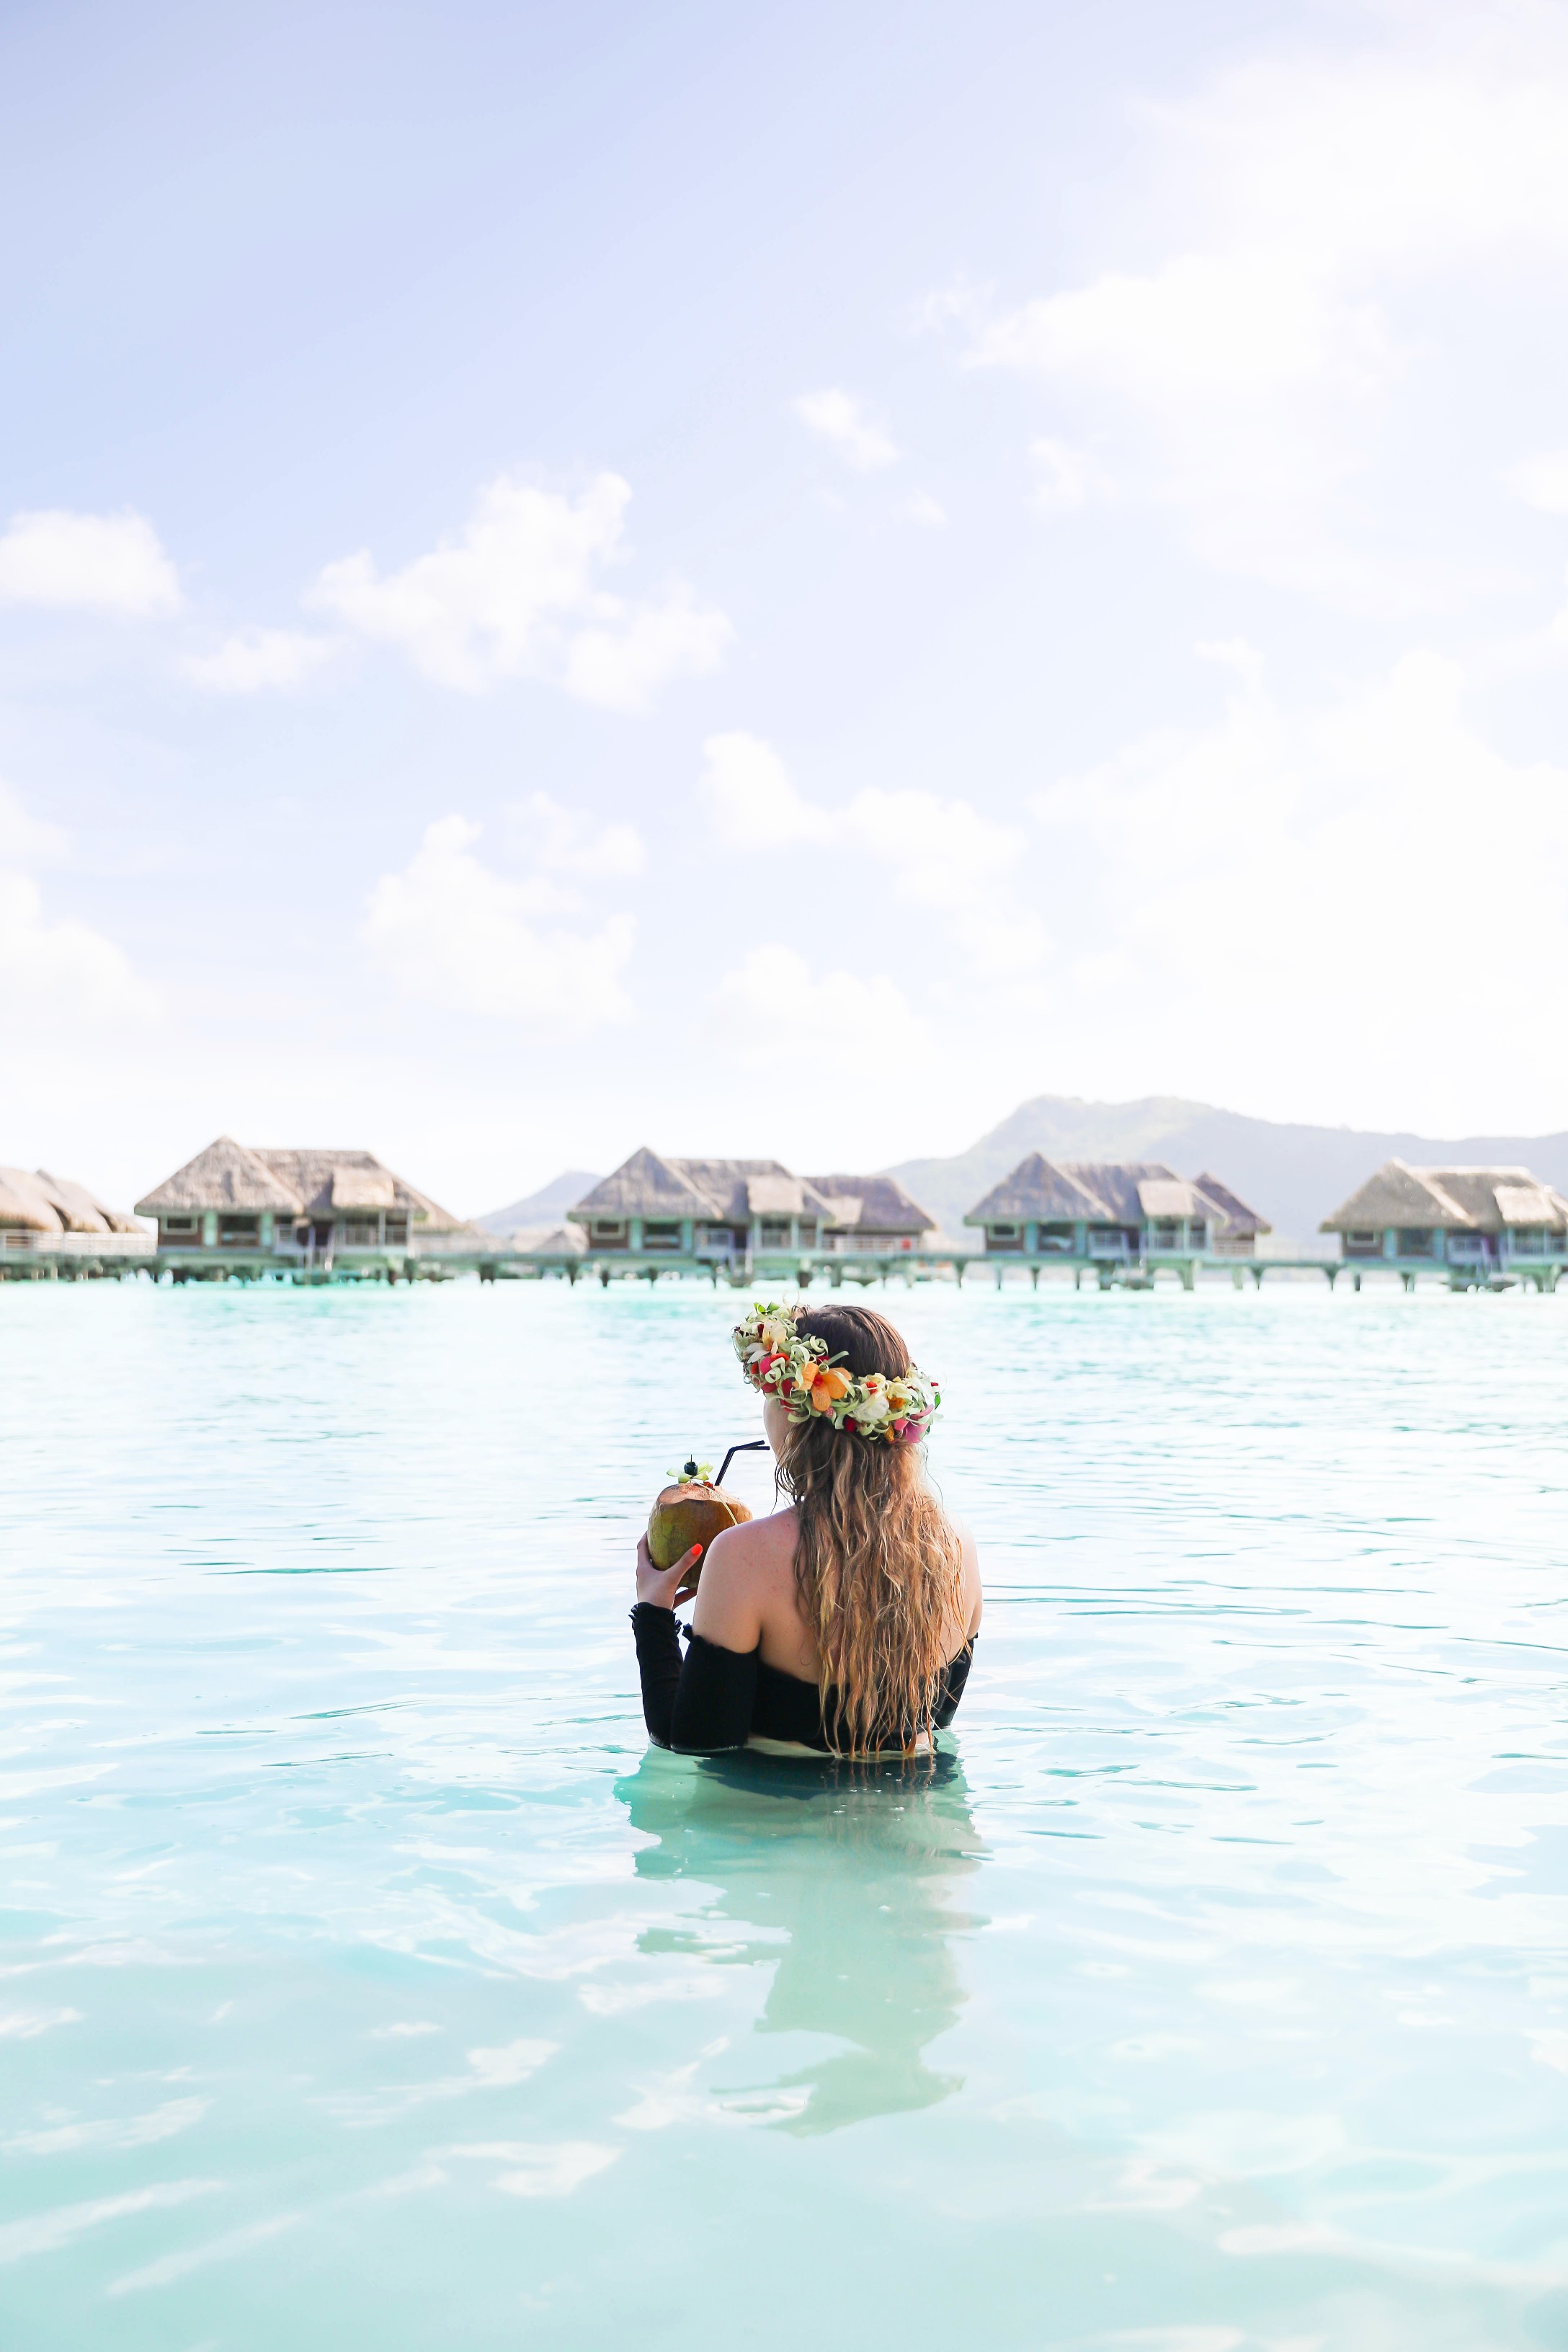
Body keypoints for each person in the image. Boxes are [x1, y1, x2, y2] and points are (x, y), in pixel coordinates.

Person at [631, 1300, 981, 1757]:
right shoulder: (957, 1544)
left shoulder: (743, 1555)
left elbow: (695, 1743)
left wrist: (653, 1612)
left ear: (792, 1406)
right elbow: (938, 1721)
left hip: (779, 1820)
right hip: (927, 1820)